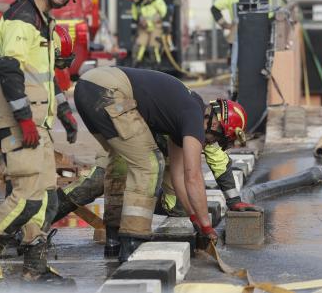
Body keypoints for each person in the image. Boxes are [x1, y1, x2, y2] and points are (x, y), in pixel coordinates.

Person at [0, 0, 89, 284]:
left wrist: (63, 112)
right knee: (28, 199)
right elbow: (8, 70)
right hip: (23, 124)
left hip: (39, 123)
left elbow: (45, 75)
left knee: (47, 199)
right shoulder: (23, 18)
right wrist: (22, 120)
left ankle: (35, 268)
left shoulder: (42, 19)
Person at [72, 65, 255, 261]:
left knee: (122, 164)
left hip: (90, 87)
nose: (210, 143)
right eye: (217, 139)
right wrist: (206, 226)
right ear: (217, 124)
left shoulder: (184, 114)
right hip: (108, 92)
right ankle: (132, 243)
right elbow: (193, 177)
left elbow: (179, 177)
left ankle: (111, 240)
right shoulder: (193, 118)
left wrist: (195, 219)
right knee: (149, 164)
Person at [52, 127, 262, 258]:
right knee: (97, 184)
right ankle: (39, 220)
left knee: (178, 207)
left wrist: (234, 201)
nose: (216, 144)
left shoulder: (206, 130)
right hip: (129, 140)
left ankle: (127, 228)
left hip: (164, 161)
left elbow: (219, 162)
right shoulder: (187, 117)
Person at [0, 25, 76, 236]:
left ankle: (17, 225)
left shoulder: (38, 54)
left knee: (19, 162)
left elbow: (50, 84)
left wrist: (64, 111)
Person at [128, 0, 167, 67]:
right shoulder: (136, 3)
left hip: (156, 27)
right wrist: (139, 21)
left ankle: (156, 67)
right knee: (139, 46)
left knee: (154, 47)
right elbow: (135, 16)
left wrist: (157, 20)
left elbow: (164, 12)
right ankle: (135, 66)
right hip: (143, 28)